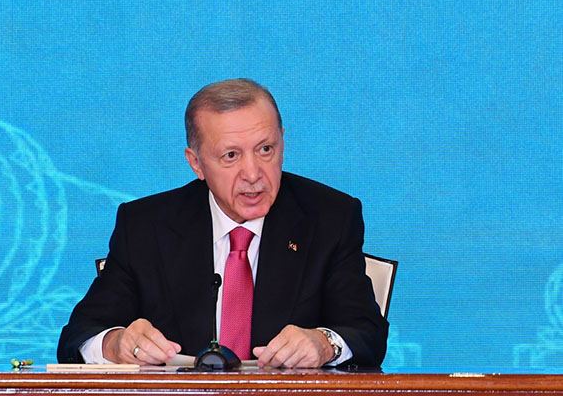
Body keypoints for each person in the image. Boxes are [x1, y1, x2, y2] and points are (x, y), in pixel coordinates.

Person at [57, 78, 388, 368]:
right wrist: (116, 343)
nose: (253, 173)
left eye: (265, 149)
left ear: (283, 142)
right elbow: (78, 338)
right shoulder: (145, 226)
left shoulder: (330, 218)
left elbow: (367, 333)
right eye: (231, 155)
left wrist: (324, 343)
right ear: (196, 163)